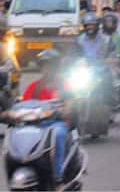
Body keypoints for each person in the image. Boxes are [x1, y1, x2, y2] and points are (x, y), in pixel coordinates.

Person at [21, 49, 68, 188]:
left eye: (51, 66)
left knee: (57, 134)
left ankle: (57, 174)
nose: (47, 69)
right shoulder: (33, 87)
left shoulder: (64, 85)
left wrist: (64, 110)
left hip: (57, 123)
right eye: (45, 66)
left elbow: (72, 103)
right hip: (36, 124)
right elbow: (24, 105)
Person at [102, 12, 120, 108]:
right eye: (107, 22)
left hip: (116, 60)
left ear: (115, 23)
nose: (109, 24)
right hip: (101, 61)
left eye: (111, 22)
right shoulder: (99, 35)